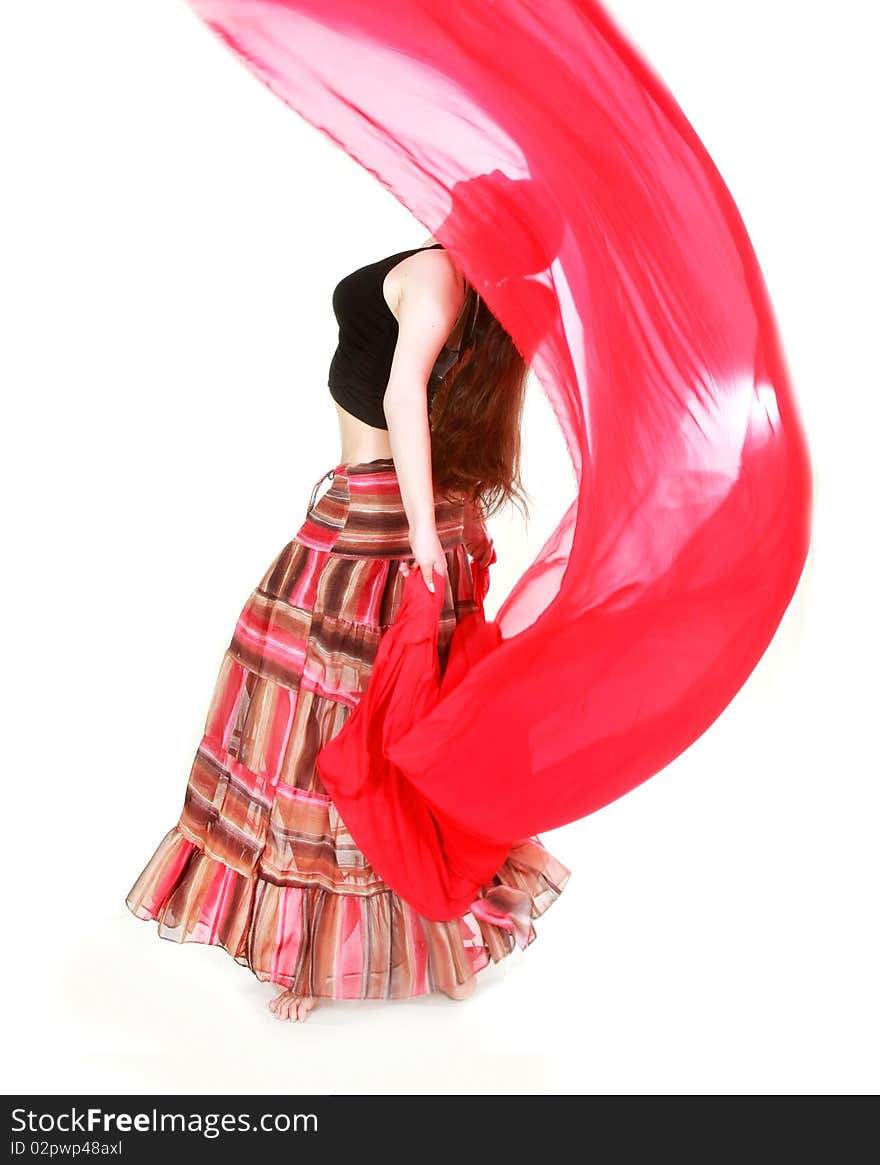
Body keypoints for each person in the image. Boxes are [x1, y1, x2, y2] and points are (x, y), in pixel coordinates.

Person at [125, 235, 571, 1022]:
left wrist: (426, 540)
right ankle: (444, 943)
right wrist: (437, 534)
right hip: (423, 517)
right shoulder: (474, 295)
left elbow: (403, 398)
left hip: (381, 520)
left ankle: (319, 956)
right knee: (404, 735)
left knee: (320, 733)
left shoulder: (440, 276)